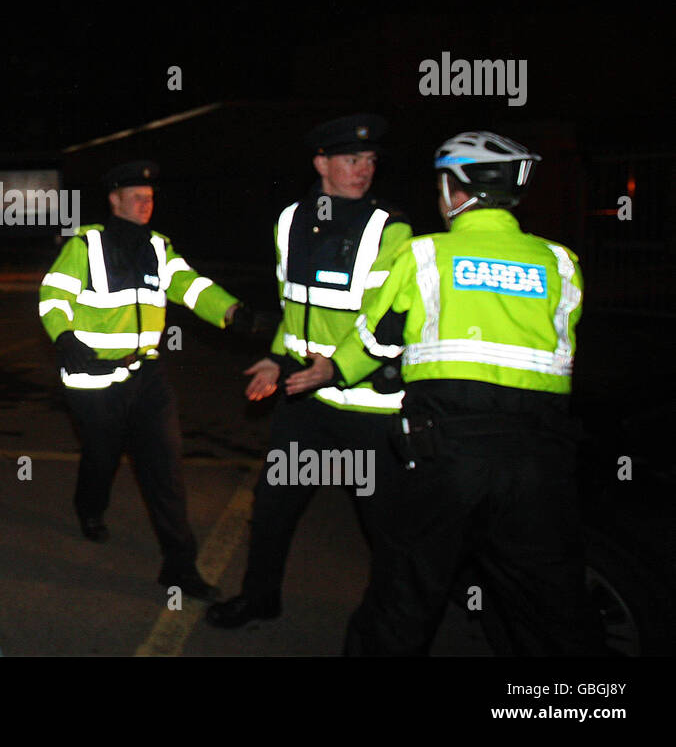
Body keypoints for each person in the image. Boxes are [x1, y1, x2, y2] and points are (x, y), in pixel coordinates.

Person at [286, 131, 597, 655]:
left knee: (405, 594)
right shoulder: (561, 262)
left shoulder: (426, 254)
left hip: (448, 456)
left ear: (456, 190)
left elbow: (376, 338)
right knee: (552, 606)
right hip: (540, 461)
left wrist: (333, 369)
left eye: (441, 186)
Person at [207, 114, 412, 629]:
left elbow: (388, 321)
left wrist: (335, 369)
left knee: (386, 528)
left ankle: (392, 627)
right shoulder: (290, 221)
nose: (363, 170)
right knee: (272, 507)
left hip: (370, 409)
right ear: (321, 164)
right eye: (351, 159)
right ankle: (260, 598)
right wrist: (278, 359)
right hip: (306, 402)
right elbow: (295, 307)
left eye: (370, 160)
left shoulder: (391, 230)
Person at [39, 161, 261, 600]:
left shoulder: (159, 247)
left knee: (164, 468)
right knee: (101, 458)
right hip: (94, 377)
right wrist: (64, 337)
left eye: (150, 197)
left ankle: (180, 567)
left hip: (146, 375)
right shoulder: (86, 244)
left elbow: (190, 286)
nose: (145, 203)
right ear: (114, 199)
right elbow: (53, 294)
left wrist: (231, 311)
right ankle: (90, 509)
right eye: (137, 196)